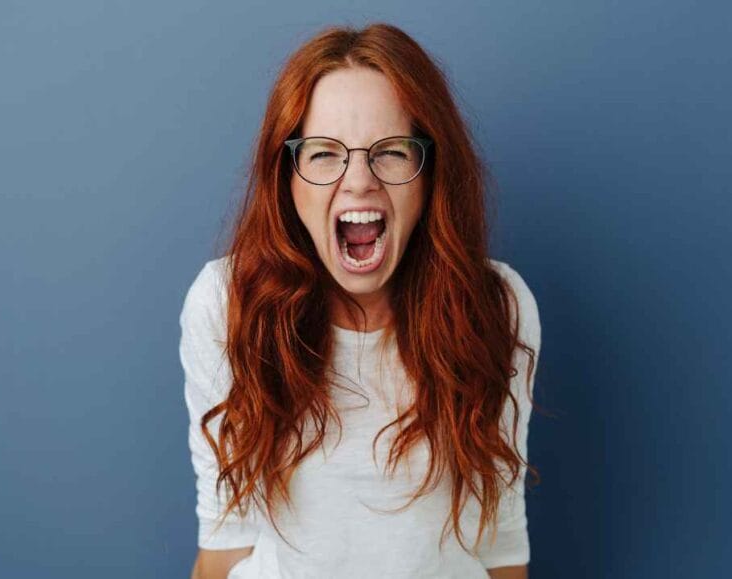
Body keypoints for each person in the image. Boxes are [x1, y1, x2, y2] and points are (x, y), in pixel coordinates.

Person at [181, 22, 541, 579]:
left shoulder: (497, 306)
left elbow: (499, 541)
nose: (358, 182)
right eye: (324, 154)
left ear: (430, 173)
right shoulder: (228, 305)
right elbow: (225, 537)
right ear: (287, 177)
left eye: (392, 152)